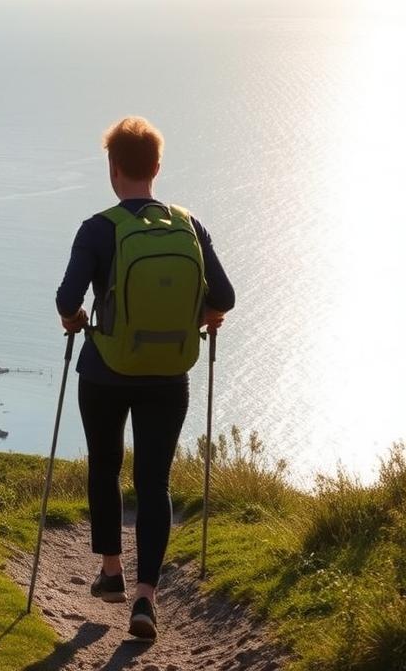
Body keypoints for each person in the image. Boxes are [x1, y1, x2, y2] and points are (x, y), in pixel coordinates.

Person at [55, 116, 234, 641]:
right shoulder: (189, 227)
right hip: (167, 376)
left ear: (113, 169)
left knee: (105, 465)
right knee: (153, 482)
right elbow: (223, 298)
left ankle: (111, 572)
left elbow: (68, 301)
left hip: (105, 372)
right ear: (157, 167)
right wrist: (196, 320)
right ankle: (146, 599)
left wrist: (76, 321)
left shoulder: (98, 228)